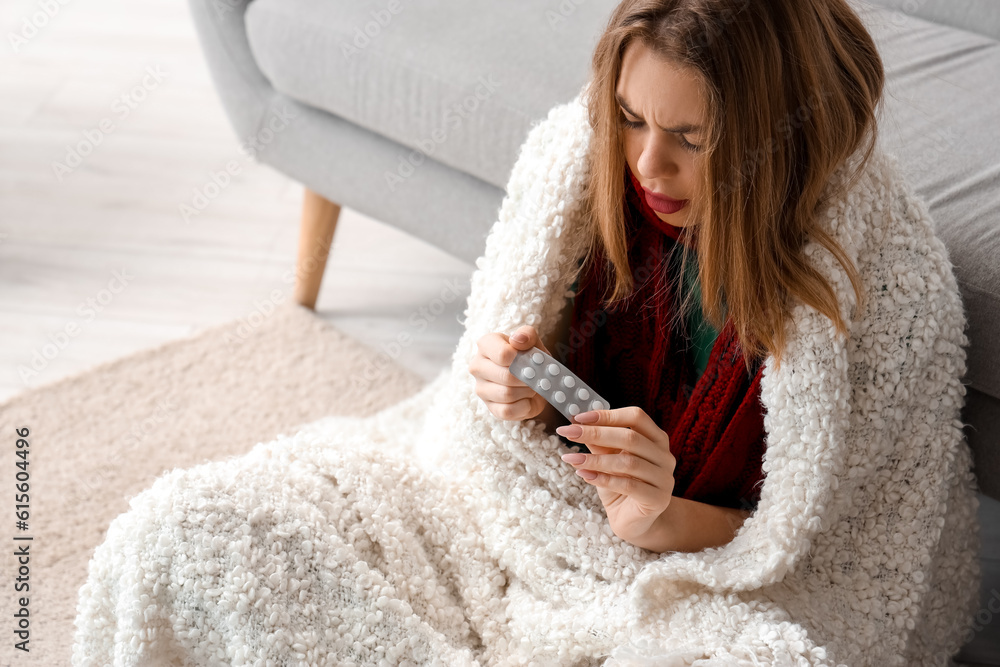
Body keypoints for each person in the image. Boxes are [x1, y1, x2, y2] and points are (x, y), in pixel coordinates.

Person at [471, 0, 880, 554]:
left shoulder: (843, 278)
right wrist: (531, 395)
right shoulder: (602, 193)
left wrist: (656, 520)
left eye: (693, 139)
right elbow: (558, 396)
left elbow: (825, 540)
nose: (646, 165)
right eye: (631, 119)